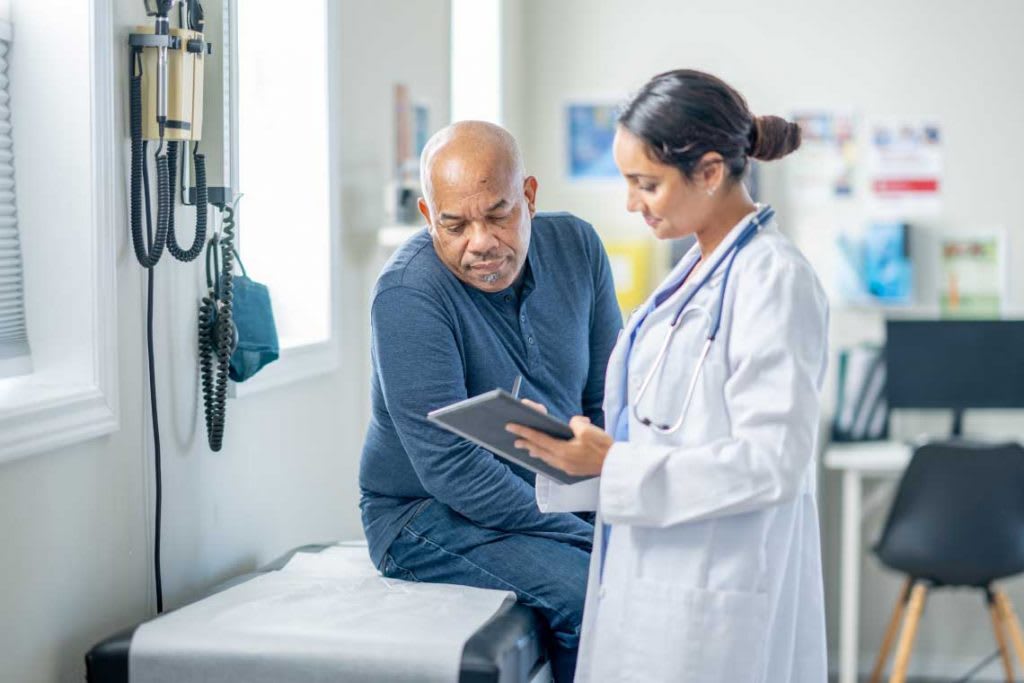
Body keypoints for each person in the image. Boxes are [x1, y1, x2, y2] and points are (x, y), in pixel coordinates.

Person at [507, 70, 829, 682]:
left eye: (646, 184)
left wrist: (614, 466)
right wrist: (582, 459)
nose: (631, 203)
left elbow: (774, 461)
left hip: (718, 591)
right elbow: (663, 431)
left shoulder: (773, 280)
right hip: (654, 574)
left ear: (709, 172)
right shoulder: (692, 273)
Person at [358, 121, 623, 682]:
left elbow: (606, 401)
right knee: (593, 591)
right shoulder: (409, 294)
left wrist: (616, 509)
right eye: (454, 225)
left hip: (551, 492)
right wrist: (583, 533)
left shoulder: (578, 247)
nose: (480, 242)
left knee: (646, 572)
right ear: (430, 219)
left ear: (528, 196)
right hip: (425, 514)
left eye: (498, 215)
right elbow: (450, 467)